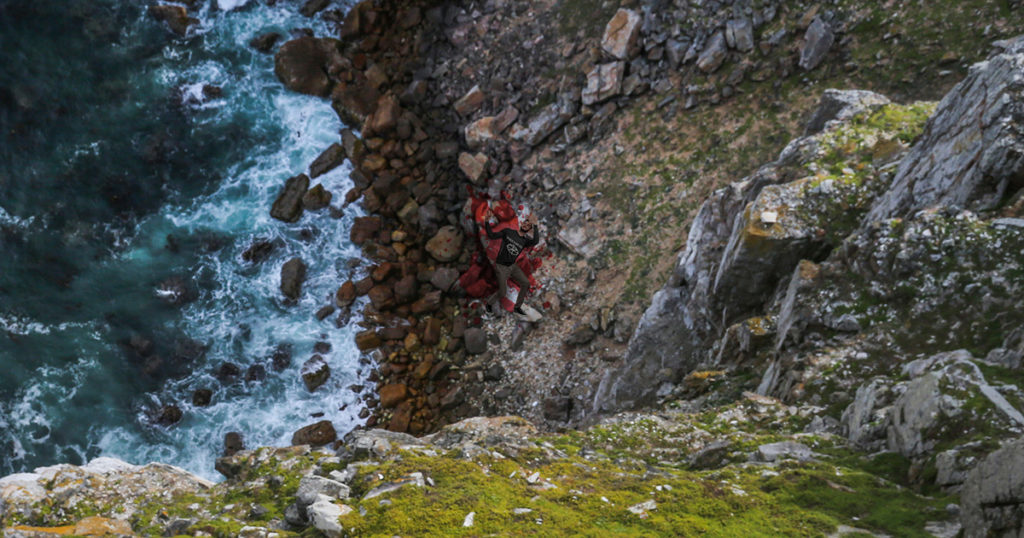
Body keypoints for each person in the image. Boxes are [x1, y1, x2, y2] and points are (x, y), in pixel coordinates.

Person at [484, 212, 539, 316]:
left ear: (529, 230)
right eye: (525, 223)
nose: (526, 225)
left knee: (526, 283)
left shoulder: (524, 241)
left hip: (512, 266)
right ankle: (489, 304)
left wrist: (535, 226)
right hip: (501, 265)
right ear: (522, 223)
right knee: (502, 292)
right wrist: (486, 222)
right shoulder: (508, 232)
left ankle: (518, 307)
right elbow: (491, 235)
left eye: (528, 226)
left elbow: (535, 241)